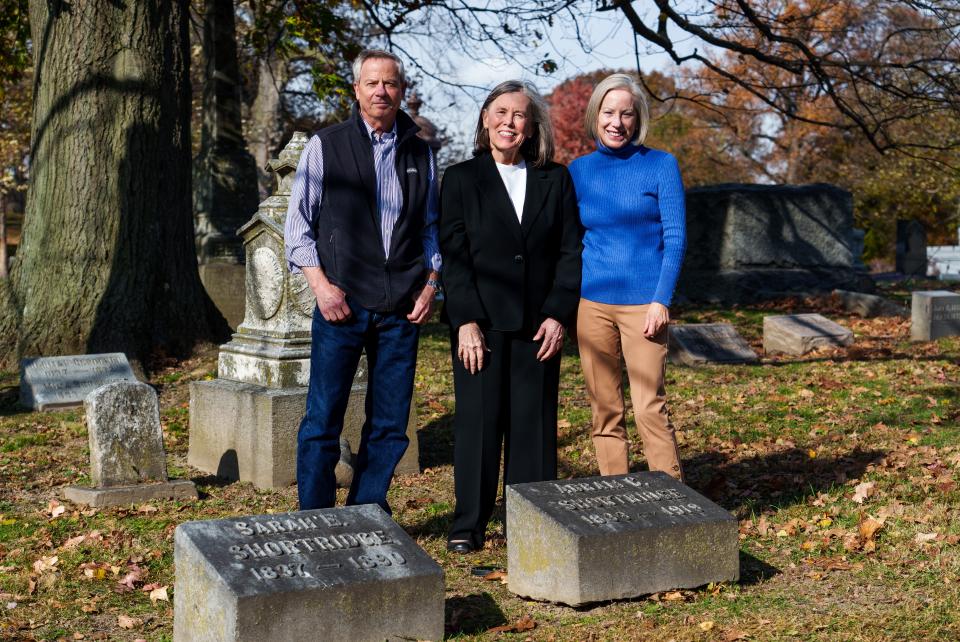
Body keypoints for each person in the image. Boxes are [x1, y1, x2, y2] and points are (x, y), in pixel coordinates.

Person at [284, 49, 442, 512]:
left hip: (402, 310)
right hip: (342, 305)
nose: (381, 91)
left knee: (391, 425)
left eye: (390, 84)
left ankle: (366, 511)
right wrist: (322, 287)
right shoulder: (326, 145)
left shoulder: (421, 153)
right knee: (322, 418)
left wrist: (432, 285)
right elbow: (298, 228)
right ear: (356, 90)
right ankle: (315, 518)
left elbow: (430, 227)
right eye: (372, 83)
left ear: (402, 92)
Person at [439, 80, 581, 553]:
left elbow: (569, 252)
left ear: (531, 126)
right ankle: (468, 525)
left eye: (519, 115)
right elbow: (454, 258)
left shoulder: (555, 179)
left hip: (540, 325)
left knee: (533, 427)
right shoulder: (460, 179)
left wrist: (558, 314)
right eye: (501, 112)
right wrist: (465, 320)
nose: (509, 122)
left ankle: (531, 522)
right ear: (485, 119)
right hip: (479, 326)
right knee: (477, 426)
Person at [568, 73, 686, 481]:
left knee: (649, 405)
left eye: (626, 114)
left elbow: (675, 238)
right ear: (595, 115)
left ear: (638, 120)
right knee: (604, 409)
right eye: (608, 112)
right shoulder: (579, 171)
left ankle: (673, 503)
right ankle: (618, 498)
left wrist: (661, 299)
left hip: (645, 307)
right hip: (593, 305)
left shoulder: (661, 165)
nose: (616, 122)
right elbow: (571, 239)